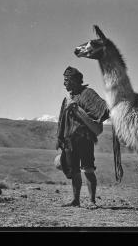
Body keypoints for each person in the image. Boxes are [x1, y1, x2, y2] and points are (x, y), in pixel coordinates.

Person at [56, 66, 109, 208]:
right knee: (74, 171)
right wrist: (60, 139)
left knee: (88, 169)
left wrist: (78, 109)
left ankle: (92, 201)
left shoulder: (88, 94)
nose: (64, 83)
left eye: (66, 80)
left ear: (73, 80)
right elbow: (62, 120)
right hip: (70, 141)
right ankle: (76, 200)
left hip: (84, 139)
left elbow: (102, 109)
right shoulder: (68, 98)